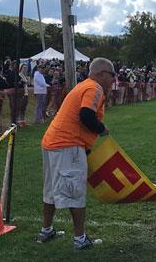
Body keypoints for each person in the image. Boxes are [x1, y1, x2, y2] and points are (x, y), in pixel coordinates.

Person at [38, 57, 116, 249]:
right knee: (75, 191)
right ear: (101, 74)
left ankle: (46, 230)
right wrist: (102, 129)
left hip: (52, 142)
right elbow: (86, 115)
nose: (113, 79)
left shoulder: (84, 86)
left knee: (50, 189)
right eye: (111, 75)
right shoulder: (94, 88)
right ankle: (79, 239)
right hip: (68, 145)